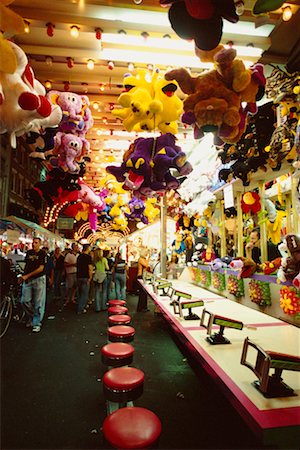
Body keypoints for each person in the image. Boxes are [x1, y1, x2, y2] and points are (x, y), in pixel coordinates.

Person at [19, 237, 47, 333]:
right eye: (33, 243)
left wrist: (27, 275)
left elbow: (41, 268)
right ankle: (33, 317)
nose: (34, 244)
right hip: (28, 280)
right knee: (24, 301)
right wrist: (23, 275)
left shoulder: (42, 253)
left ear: (40, 244)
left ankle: (36, 323)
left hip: (38, 279)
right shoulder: (29, 253)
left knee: (38, 302)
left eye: (36, 243)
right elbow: (26, 265)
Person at [76, 244, 93, 314]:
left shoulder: (79, 256)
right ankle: (81, 308)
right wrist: (90, 276)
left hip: (79, 276)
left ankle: (80, 306)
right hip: (85, 276)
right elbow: (90, 268)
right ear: (88, 248)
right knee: (84, 293)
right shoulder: (88, 257)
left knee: (80, 293)